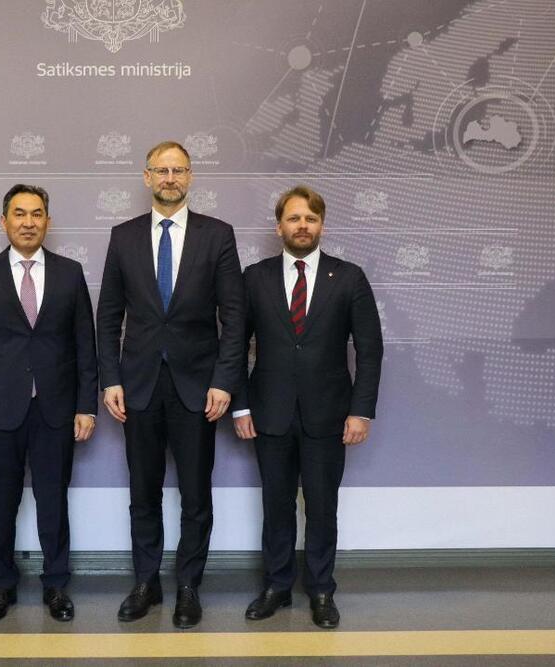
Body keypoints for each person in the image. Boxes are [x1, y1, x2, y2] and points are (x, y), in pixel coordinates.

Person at [96, 141, 245, 629]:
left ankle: (187, 586)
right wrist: (110, 379)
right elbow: (108, 316)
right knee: (144, 492)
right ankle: (146, 582)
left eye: (178, 170)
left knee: (196, 495)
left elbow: (234, 317)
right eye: (161, 170)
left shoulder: (217, 235)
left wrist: (224, 381)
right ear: (146, 177)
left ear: (191, 176)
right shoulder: (123, 236)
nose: (170, 178)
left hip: (198, 388)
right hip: (138, 386)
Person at [232, 185, 383, 629]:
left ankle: (320, 589)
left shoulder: (349, 277)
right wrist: (240, 407)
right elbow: (234, 346)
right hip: (269, 412)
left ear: (322, 226)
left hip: (329, 415)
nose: (303, 226)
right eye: (294, 218)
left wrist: (361, 411)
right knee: (276, 506)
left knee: (321, 507)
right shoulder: (254, 277)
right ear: (278, 227)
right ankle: (277, 587)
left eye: (311, 219)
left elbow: (370, 350)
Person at [0, 184, 98, 623]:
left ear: (48, 222)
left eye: (37, 214)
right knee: (2, 503)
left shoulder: (70, 273)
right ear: (4, 221)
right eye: (19, 214)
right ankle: (2, 585)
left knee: (54, 502)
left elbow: (85, 345)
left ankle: (56, 584)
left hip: (56, 409)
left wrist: (86, 406)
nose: (28, 222)